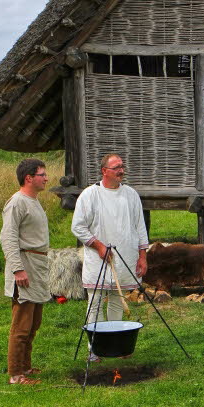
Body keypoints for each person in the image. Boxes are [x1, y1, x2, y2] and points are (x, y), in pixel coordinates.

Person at [71, 153, 149, 359]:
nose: (121, 171)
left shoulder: (131, 195)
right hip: (99, 259)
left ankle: (116, 345)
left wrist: (142, 256)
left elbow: (140, 227)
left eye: (122, 166)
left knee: (116, 300)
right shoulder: (90, 195)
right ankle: (94, 349)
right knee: (95, 301)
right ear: (104, 171)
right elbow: (78, 227)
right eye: (116, 167)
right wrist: (98, 246)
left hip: (125, 257)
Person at [0, 158, 50, 385]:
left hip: (37, 265)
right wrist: (18, 269)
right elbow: (8, 237)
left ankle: (26, 367)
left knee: (34, 322)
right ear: (29, 178)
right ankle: (16, 374)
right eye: (42, 174)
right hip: (25, 264)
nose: (46, 178)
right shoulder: (17, 202)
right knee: (22, 324)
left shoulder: (33, 201)